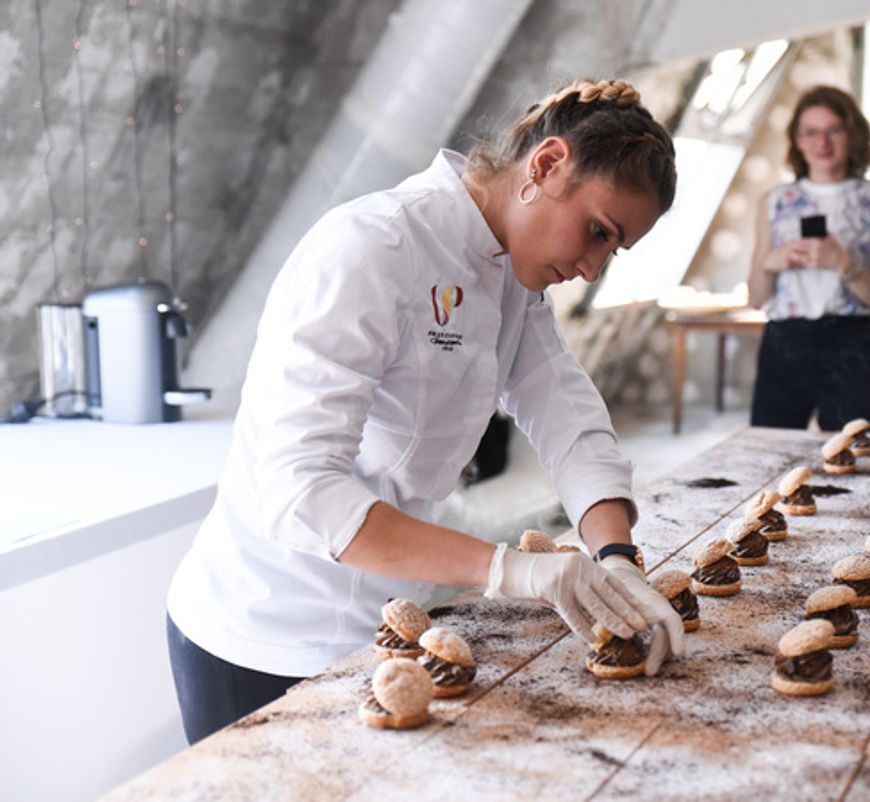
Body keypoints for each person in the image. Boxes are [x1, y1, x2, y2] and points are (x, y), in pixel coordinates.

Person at [164, 79, 686, 744]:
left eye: (613, 251)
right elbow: (301, 492)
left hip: (381, 626)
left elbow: (568, 417)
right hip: (264, 636)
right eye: (597, 232)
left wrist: (615, 558)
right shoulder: (372, 248)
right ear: (548, 165)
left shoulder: (512, 276)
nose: (591, 268)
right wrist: (509, 570)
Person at [747, 85, 870, 431]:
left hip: (852, 344)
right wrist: (773, 261)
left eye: (834, 130)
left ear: (854, 134)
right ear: (797, 141)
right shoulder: (775, 200)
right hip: (784, 342)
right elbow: (755, 298)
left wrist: (843, 263)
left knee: (848, 460)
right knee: (771, 454)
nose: (822, 142)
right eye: (810, 132)